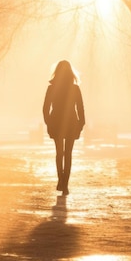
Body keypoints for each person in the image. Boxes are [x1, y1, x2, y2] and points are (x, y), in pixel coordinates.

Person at [43, 60, 85, 196]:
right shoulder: (75, 88)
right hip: (71, 123)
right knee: (68, 154)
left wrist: (48, 123)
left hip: (56, 122)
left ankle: (61, 180)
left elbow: (45, 108)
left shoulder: (52, 88)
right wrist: (80, 124)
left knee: (59, 153)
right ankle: (65, 184)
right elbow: (80, 108)